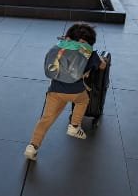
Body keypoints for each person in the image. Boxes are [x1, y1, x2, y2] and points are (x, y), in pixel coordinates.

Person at [24, 23, 106, 161]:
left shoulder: (61, 47)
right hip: (76, 91)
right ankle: (74, 126)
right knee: (83, 100)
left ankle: (32, 146)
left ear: (69, 37)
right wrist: (99, 59)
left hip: (55, 91)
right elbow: (102, 66)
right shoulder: (90, 54)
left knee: (46, 119)